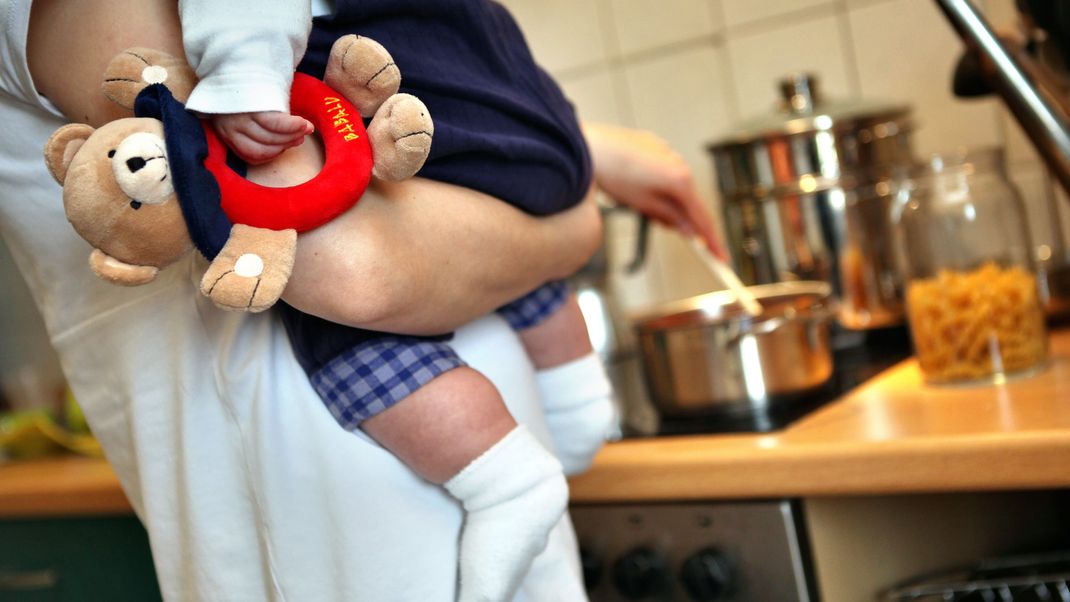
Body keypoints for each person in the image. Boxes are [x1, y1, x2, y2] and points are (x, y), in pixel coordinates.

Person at [6, 1, 719, 600]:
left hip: (445, 501)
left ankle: (568, 414)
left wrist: (584, 155)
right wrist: (575, 218)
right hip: (350, 545)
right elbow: (349, 265)